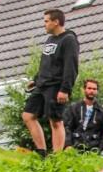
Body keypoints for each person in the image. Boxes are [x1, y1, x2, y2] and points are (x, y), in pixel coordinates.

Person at [22, 8, 78, 156]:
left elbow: (71, 67)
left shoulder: (69, 39)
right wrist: (35, 80)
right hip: (42, 85)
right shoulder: (50, 39)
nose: (44, 24)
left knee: (55, 121)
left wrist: (65, 89)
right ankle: (42, 152)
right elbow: (46, 63)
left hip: (56, 86)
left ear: (56, 22)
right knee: (28, 116)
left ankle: (57, 156)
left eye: (46, 21)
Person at [62, 79, 103, 153]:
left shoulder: (102, 111)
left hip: (93, 149)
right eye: (89, 88)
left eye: (94, 89)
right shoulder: (73, 108)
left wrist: (100, 148)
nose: (92, 91)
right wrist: (68, 144)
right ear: (84, 89)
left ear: (97, 91)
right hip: (74, 146)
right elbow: (67, 127)